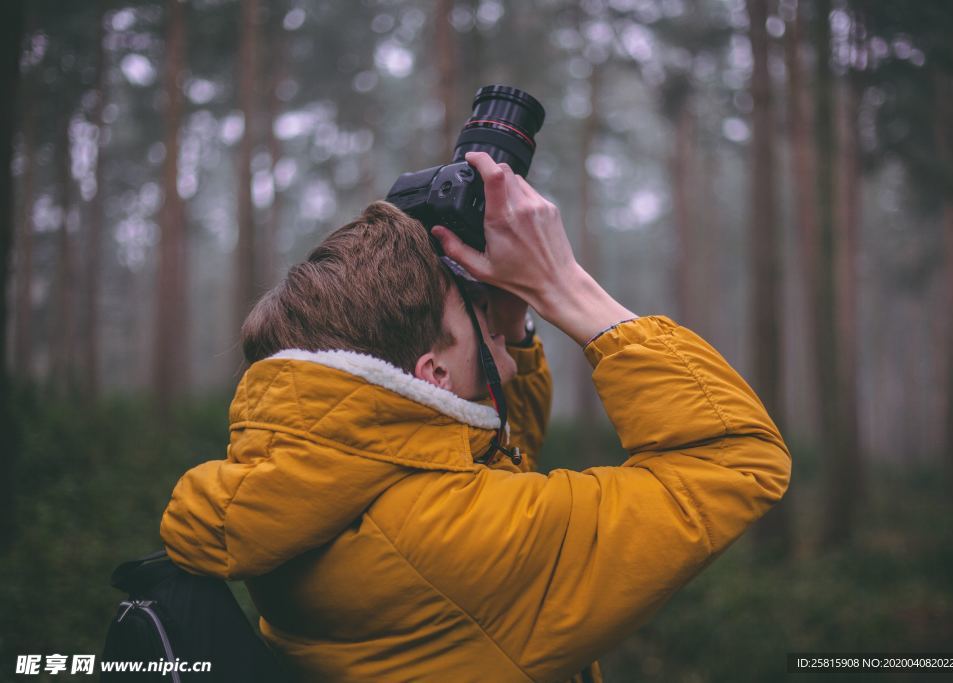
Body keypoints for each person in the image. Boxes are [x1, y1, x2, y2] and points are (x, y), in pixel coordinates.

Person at [160, 151, 791, 682]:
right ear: (432, 376)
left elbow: (486, 459)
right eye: (481, 325)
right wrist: (564, 286)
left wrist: (509, 320)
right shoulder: (449, 540)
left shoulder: (307, 481)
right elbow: (733, 460)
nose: (511, 362)